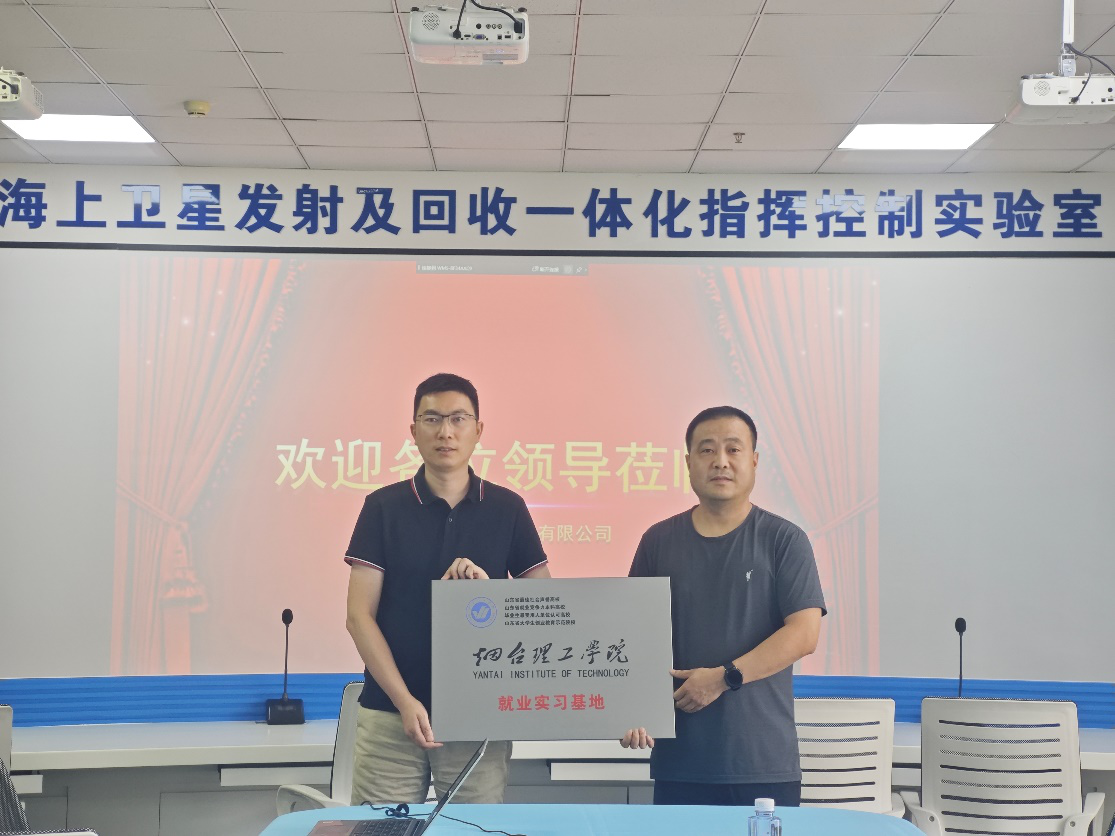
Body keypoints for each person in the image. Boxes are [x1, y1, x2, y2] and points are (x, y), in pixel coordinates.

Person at [344, 372, 550, 805]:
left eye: (458, 419)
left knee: (472, 831)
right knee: (382, 831)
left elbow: (545, 606)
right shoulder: (382, 507)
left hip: (478, 714)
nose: (446, 432)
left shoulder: (507, 508)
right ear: (413, 430)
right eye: (432, 419)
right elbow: (359, 617)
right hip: (390, 713)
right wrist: (405, 701)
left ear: (478, 430)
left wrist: (489, 593)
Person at [621, 406, 826, 807]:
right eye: (707, 450)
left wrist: (723, 678)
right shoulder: (657, 542)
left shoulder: (784, 540)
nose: (720, 461)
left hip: (761, 762)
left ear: (754, 461)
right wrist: (631, 708)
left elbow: (804, 633)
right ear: (688, 463)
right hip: (680, 761)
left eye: (733, 449)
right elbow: (633, 636)